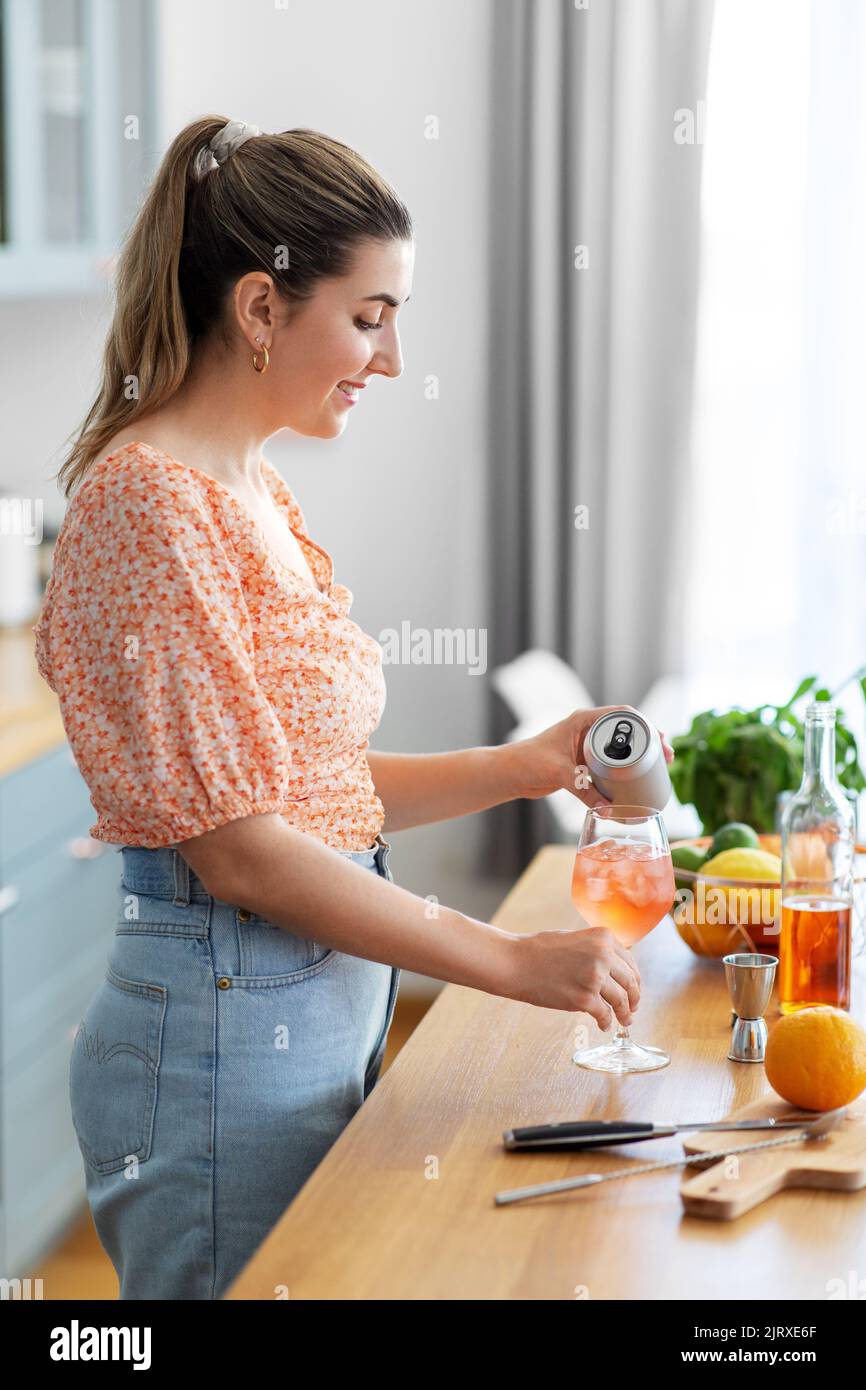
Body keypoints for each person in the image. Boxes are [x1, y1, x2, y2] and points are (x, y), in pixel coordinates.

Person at [33, 114, 672, 1300]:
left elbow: (309, 789)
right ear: (261, 308)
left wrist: (521, 764)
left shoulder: (248, 486)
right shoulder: (149, 508)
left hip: (301, 1005)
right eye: (369, 319)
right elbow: (245, 855)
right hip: (218, 1031)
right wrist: (510, 960)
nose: (386, 361)